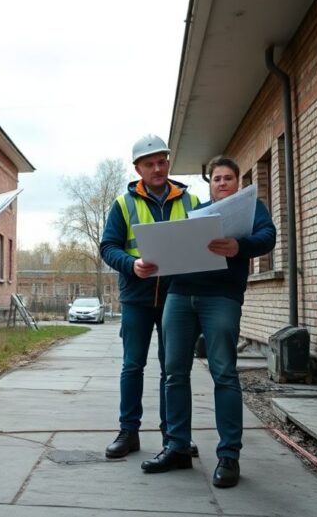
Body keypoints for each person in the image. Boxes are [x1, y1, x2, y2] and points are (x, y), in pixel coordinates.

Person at [143, 155, 276, 488]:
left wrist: (239, 246)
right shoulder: (196, 213)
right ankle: (177, 448)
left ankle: (229, 455)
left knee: (224, 374)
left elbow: (268, 238)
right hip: (180, 295)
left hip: (221, 299)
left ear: (238, 183)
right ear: (211, 184)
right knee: (174, 373)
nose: (221, 183)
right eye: (216, 178)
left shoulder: (252, 210)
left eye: (227, 178)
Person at [99, 134, 200, 459]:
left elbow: (203, 243)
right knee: (132, 366)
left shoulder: (191, 202)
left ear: (168, 162)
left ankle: (174, 436)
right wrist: (132, 264)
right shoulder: (123, 204)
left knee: (172, 369)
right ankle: (129, 432)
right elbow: (108, 247)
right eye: (149, 164)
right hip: (136, 299)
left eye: (162, 161)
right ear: (138, 168)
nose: (157, 168)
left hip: (178, 298)